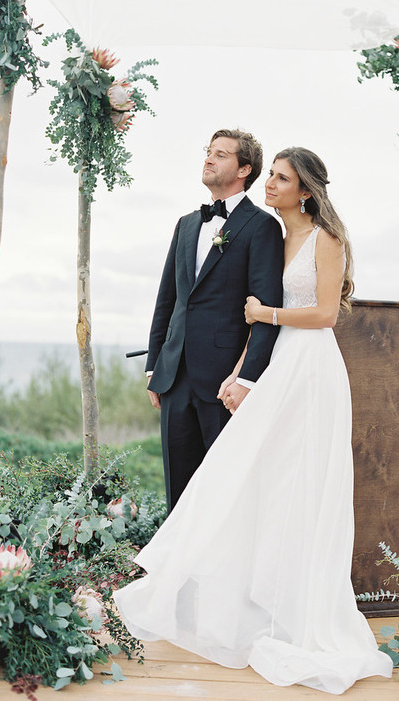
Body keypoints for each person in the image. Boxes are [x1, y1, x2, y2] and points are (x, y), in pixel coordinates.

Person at [114, 147, 393, 694]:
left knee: (298, 483)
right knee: (251, 480)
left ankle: (299, 611)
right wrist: (241, 369)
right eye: (270, 175)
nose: (271, 184)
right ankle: (237, 596)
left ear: (305, 190)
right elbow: (186, 302)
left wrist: (266, 315)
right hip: (273, 366)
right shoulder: (273, 235)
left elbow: (326, 315)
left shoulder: (325, 239)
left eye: (282, 178)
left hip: (310, 369)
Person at [145, 129, 284, 513]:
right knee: (179, 490)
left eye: (220, 155)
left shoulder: (262, 227)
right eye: (208, 152)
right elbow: (168, 299)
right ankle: (179, 571)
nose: (208, 159)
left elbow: (266, 311)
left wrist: (245, 379)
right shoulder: (186, 224)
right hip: (174, 378)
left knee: (227, 490)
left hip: (225, 383)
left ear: (244, 169)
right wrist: (155, 367)